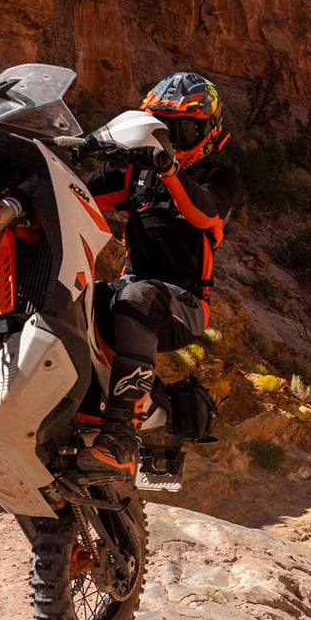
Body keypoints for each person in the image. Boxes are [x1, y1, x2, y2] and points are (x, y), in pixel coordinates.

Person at [77, 72, 242, 478]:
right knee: (79, 294)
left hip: (186, 303)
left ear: (208, 131)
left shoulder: (218, 177)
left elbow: (203, 211)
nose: (172, 139)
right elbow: (77, 193)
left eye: (183, 130)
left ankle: (120, 437)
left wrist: (168, 167)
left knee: (138, 296)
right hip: (131, 289)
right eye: (164, 128)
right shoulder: (137, 172)